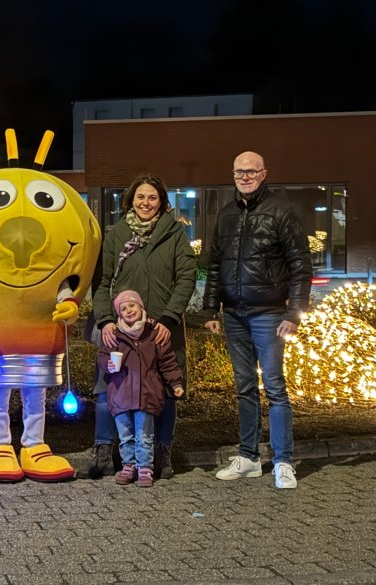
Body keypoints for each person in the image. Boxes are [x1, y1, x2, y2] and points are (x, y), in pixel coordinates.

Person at [205, 151, 312, 490]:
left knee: (276, 389)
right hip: (234, 314)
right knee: (244, 388)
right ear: (233, 174)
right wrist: (211, 309)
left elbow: (300, 264)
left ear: (264, 173)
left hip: (269, 313)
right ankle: (249, 458)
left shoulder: (282, 211)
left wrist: (294, 312)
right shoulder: (225, 215)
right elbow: (214, 265)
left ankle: (283, 461)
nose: (245, 177)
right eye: (239, 172)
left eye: (251, 171)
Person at [83, 174, 196, 480]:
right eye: (140, 197)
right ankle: (104, 451)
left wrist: (170, 319)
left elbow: (186, 277)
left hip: (160, 328)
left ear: (162, 202)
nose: (146, 203)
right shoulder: (116, 233)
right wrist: (105, 320)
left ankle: (161, 451)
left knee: (165, 391)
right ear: (130, 200)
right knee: (109, 388)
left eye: (153, 198)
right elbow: (103, 281)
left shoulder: (174, 234)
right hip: (119, 330)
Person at [98, 290, 184, 487]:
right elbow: (103, 357)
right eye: (123, 309)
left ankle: (145, 467)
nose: (128, 311)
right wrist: (108, 365)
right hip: (120, 394)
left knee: (145, 434)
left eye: (132, 306)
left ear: (141, 307)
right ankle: (129, 465)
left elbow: (168, 362)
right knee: (125, 435)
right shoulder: (114, 336)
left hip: (147, 394)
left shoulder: (154, 334)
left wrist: (176, 382)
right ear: (119, 314)